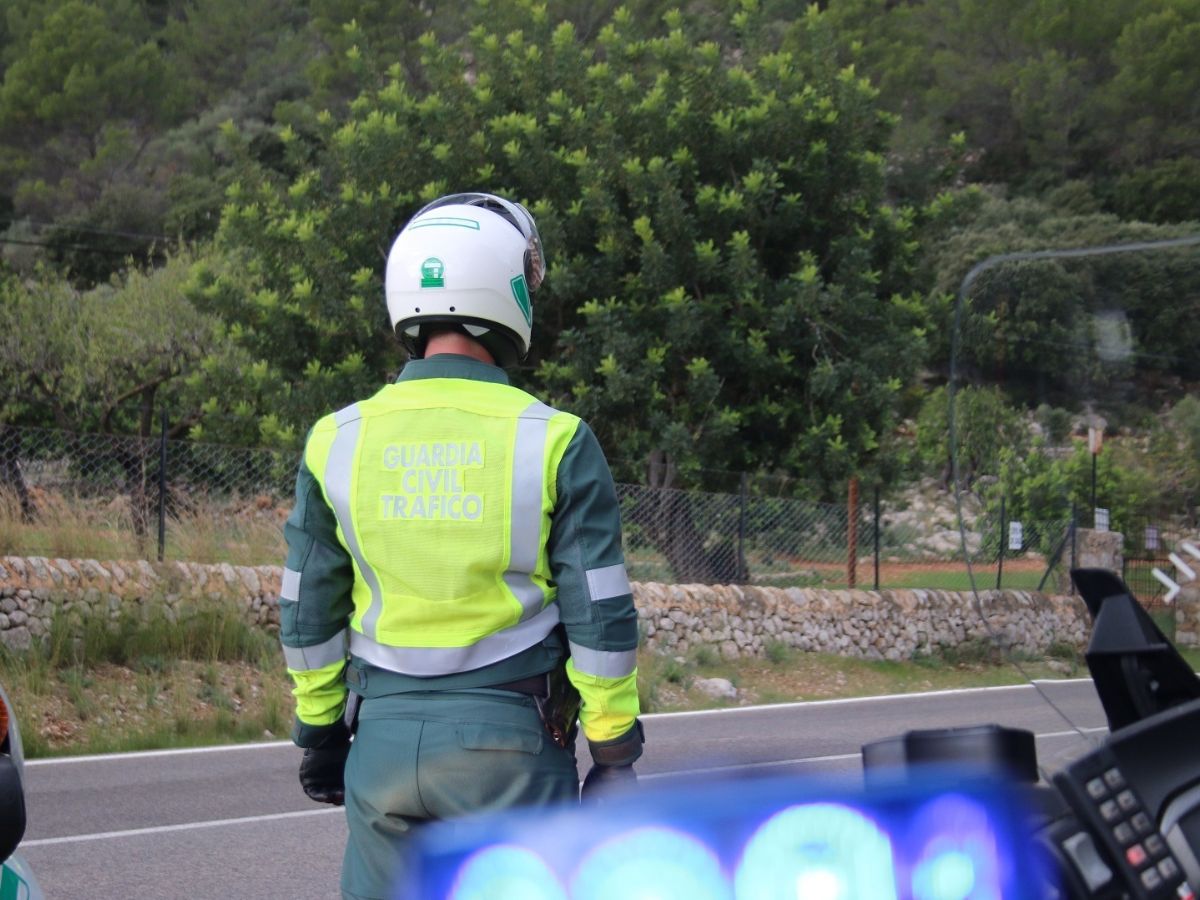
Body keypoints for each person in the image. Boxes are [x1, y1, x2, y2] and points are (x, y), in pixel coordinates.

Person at [278, 192, 644, 900]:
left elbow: (306, 609)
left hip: (381, 746)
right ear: (506, 295)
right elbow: (600, 614)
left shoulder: (337, 438)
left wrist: (318, 731)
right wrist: (614, 748)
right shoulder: (554, 437)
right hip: (508, 748)